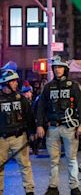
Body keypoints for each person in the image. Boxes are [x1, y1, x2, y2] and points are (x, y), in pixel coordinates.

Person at [36, 55, 81, 195]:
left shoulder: (74, 86)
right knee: (54, 160)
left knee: (71, 159)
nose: (58, 69)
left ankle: (74, 187)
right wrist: (39, 125)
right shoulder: (47, 87)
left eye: (60, 67)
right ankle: (53, 187)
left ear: (65, 69)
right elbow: (41, 108)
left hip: (70, 128)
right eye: (55, 67)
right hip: (52, 128)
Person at [0, 66, 35, 195]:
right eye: (13, 81)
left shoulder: (21, 99)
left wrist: (31, 133)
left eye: (16, 81)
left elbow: (29, 116)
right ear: (6, 83)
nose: (16, 83)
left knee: (25, 165)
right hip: (1, 138)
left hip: (20, 137)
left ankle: (29, 191)